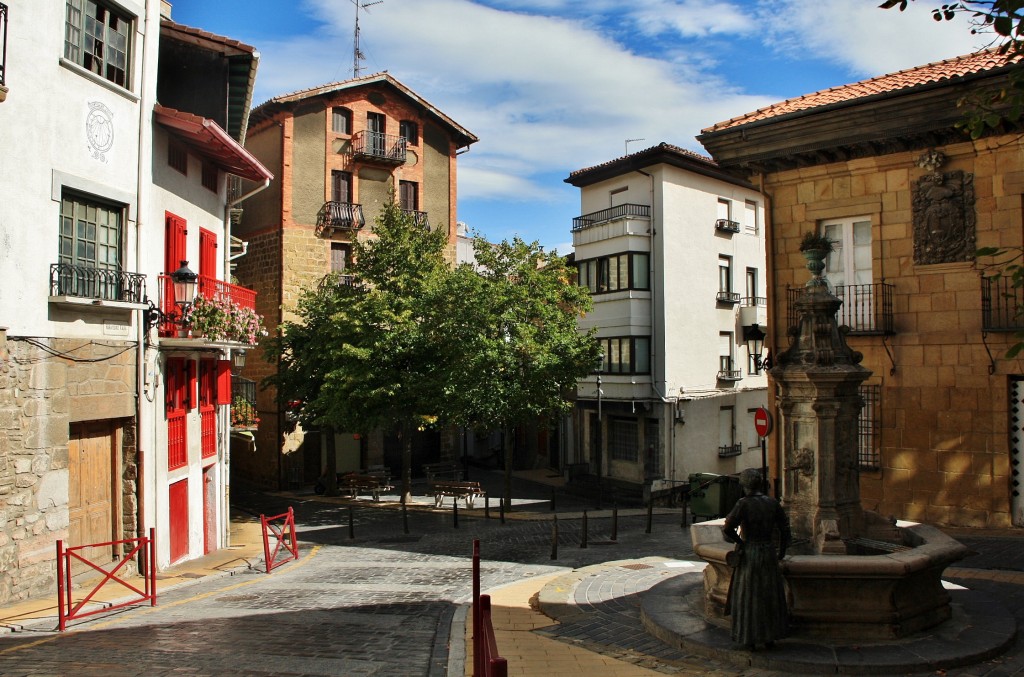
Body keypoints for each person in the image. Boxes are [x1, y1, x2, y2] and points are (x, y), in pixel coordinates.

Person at [721, 468, 791, 649]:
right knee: (769, 595)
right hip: (768, 552)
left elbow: (727, 529)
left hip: (750, 551)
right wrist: (781, 552)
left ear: (744, 485)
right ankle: (770, 636)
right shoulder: (772, 502)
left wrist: (740, 542)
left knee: (749, 595)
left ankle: (749, 637)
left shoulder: (743, 504)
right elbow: (785, 529)